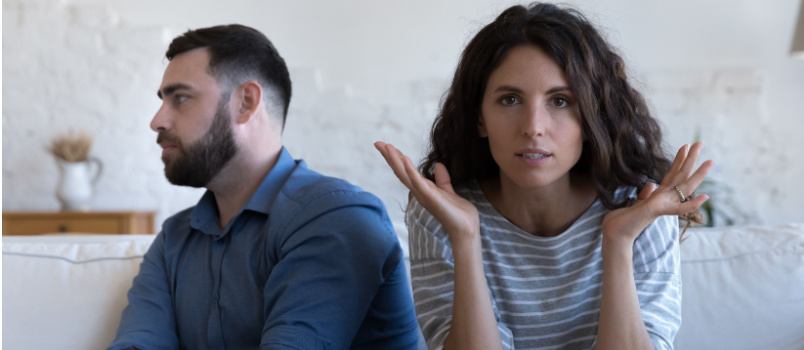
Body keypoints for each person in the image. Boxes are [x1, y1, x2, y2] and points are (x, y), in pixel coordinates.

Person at [375, 3, 713, 350]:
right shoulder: (443, 215)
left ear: (592, 119)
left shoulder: (642, 209)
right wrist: (465, 236)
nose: (533, 128)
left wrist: (618, 241)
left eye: (561, 101)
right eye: (509, 99)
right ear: (480, 119)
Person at [108, 24, 419, 350]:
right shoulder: (175, 238)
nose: (157, 120)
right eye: (163, 101)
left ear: (246, 102)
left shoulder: (338, 218)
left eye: (181, 98)